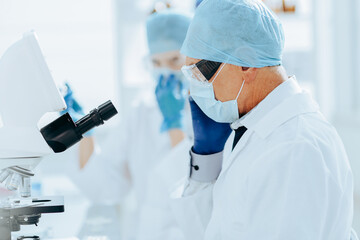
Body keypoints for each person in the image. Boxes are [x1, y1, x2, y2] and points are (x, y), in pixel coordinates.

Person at [169, 0, 359, 239]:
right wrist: (205, 161)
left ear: (246, 64)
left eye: (200, 72)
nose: (194, 88)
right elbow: (213, 229)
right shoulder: (254, 129)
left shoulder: (293, 148)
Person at [66, 9, 192, 240]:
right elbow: (105, 186)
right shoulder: (141, 112)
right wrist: (86, 131)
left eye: (174, 60)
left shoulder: (212, 111)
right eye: (156, 62)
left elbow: (194, 185)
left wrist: (174, 124)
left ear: (193, 58)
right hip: (148, 232)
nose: (165, 71)